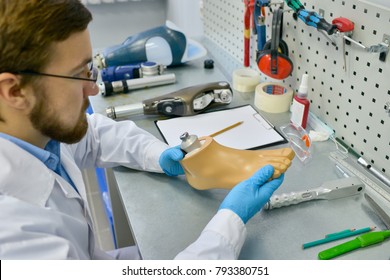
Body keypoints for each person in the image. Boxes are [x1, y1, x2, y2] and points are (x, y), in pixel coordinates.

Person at [0, 0, 285, 260]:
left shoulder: (35, 133)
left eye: (90, 70)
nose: (94, 88)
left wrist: (158, 155)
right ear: (14, 91)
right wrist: (228, 223)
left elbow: (94, 135)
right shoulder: (15, 237)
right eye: (77, 75)